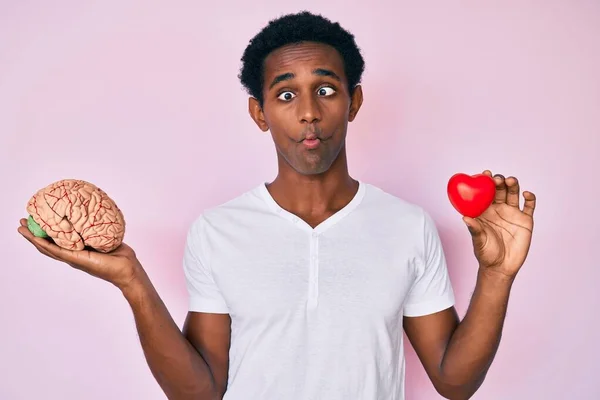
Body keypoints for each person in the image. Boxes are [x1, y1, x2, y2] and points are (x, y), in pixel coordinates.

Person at [18, 11, 537, 400]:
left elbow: (453, 380)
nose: (309, 113)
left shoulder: (408, 226)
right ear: (259, 112)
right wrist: (131, 280)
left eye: (326, 89)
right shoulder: (217, 231)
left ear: (354, 102)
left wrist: (496, 276)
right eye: (286, 95)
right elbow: (200, 391)